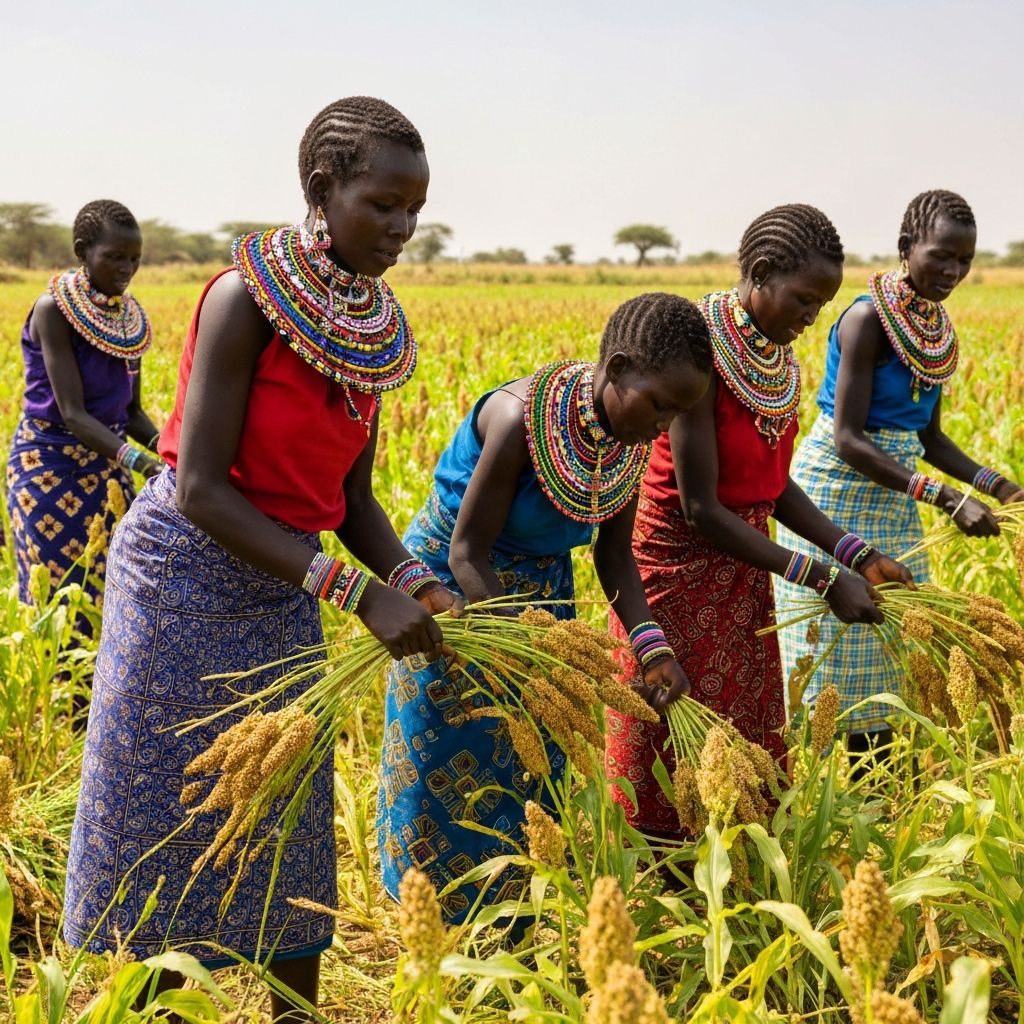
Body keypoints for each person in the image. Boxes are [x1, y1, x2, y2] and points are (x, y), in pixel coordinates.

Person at [63, 97, 459, 1018]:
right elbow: (201, 486)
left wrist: (412, 579)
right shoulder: (244, 298)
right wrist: (354, 595)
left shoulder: (366, 324)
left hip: (281, 587)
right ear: (324, 190)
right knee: (165, 827)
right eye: (385, 206)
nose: (402, 230)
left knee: (285, 824)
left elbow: (351, 500)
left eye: (416, 210)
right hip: (183, 578)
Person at [376, 292, 713, 922]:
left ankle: (513, 908)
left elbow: (615, 558)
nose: (665, 425)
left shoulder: (627, 440)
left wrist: (652, 645)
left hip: (539, 592)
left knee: (532, 752)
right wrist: (522, 649)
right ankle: (428, 914)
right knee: (444, 748)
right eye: (660, 404)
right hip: (455, 591)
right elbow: (468, 551)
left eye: (679, 413)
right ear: (616, 370)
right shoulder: (518, 419)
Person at [604, 204, 913, 836]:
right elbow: (702, 507)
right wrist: (824, 580)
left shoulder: (777, 361)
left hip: (746, 575)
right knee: (667, 739)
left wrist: (856, 554)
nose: (811, 317)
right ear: (762, 273)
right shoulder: (698, 355)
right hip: (676, 575)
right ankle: (653, 882)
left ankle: (734, 871)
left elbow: (773, 488)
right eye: (803, 299)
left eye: (820, 306)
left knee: (743, 742)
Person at [775, 190, 1024, 748]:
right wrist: (948, 499)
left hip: (895, 490)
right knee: (833, 641)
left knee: (895, 635)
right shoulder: (866, 320)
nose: (952, 271)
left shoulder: (935, 332)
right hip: (834, 494)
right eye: (941, 255)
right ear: (908, 247)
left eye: (964, 260)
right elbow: (847, 438)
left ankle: (885, 778)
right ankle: (828, 774)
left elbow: (928, 438)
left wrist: (997, 485)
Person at [6, 200, 162, 612]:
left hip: (106, 469)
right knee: (58, 597)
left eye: (134, 259)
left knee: (119, 590)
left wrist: (171, 450)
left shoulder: (128, 319)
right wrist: (145, 465)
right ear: (82, 252)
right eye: (114, 257)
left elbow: (131, 414)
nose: (126, 269)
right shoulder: (52, 309)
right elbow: (73, 413)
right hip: (50, 469)